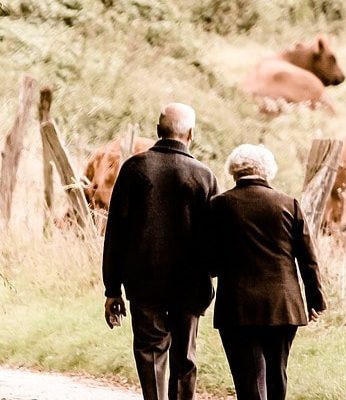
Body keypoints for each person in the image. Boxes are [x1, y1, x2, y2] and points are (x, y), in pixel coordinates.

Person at [102, 103, 219, 400]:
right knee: (185, 358)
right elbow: (213, 237)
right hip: (190, 284)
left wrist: (112, 288)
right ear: (190, 134)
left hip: (144, 282)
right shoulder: (204, 176)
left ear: (157, 130)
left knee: (151, 352)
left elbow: (116, 231)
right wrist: (211, 273)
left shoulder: (134, 168)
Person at [208, 144, 327, 400]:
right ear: (267, 171)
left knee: (247, 378)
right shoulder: (288, 204)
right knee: (277, 371)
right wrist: (315, 299)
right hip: (284, 305)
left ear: (234, 171)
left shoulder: (219, 205)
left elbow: (210, 259)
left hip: (237, 306)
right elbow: (308, 258)